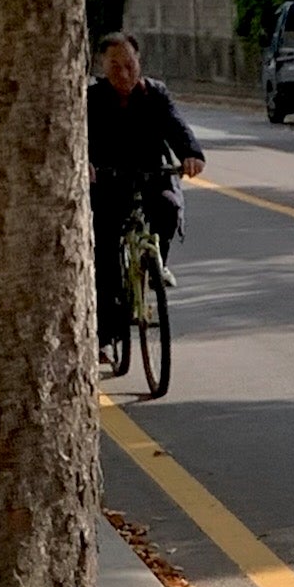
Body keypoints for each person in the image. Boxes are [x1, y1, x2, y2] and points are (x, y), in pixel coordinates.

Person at [87, 33, 205, 358]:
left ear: (139, 62)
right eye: (115, 66)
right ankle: (106, 335)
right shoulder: (92, 100)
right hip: (109, 183)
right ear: (102, 66)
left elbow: (177, 128)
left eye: (129, 65)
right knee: (106, 257)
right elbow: (78, 138)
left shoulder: (155, 94)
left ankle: (156, 265)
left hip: (152, 175)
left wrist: (191, 154)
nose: (123, 74)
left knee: (167, 208)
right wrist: (86, 163)